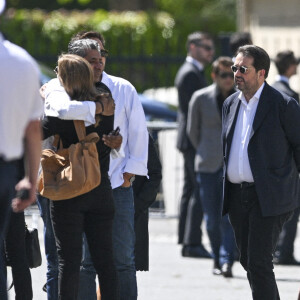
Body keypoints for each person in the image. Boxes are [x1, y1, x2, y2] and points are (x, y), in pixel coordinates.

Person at [44, 32, 149, 300]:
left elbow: (136, 132)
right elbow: (103, 141)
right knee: (96, 263)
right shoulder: (97, 98)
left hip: (91, 187)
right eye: (91, 59)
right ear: (80, 64)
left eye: (101, 57)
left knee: (97, 261)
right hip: (94, 188)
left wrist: (128, 170)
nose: (99, 63)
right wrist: (98, 115)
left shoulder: (104, 93)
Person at [222, 44, 300, 300]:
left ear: (261, 74)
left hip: (269, 197)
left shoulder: (283, 104)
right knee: (247, 260)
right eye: (235, 68)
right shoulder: (230, 103)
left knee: (258, 262)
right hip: (237, 197)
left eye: (243, 69)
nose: (237, 73)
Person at [42, 53, 119, 299]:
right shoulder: (105, 104)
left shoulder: (58, 111)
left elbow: (38, 131)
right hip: (100, 188)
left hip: (68, 190)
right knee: (105, 260)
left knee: (68, 261)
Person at [0, 0, 43, 298]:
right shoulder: (23, 62)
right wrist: (31, 177)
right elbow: (33, 128)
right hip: (9, 169)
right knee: (13, 245)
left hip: (10, 167)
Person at [187, 57, 236, 277]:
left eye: (232, 74)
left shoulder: (240, 98)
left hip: (232, 166)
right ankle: (216, 258)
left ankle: (227, 261)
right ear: (214, 76)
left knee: (229, 218)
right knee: (212, 219)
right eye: (224, 75)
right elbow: (192, 132)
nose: (229, 79)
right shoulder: (200, 98)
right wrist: (207, 151)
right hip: (207, 165)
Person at [175, 31, 214, 258]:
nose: (210, 52)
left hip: (189, 139)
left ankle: (186, 238)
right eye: (206, 47)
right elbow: (193, 115)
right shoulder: (190, 73)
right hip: (192, 139)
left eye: (211, 48)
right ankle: (192, 242)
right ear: (193, 47)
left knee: (191, 188)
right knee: (198, 188)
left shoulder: (193, 71)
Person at [272, 50, 300, 265]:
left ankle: (278, 249)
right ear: (289, 66)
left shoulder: (271, 90)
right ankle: (284, 251)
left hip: (274, 158)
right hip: (288, 159)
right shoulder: (289, 94)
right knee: (291, 207)